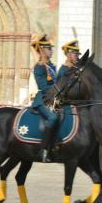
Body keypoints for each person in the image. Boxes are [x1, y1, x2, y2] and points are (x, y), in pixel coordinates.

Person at [31, 34, 59, 163]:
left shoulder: (51, 66)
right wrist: (58, 90)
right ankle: (43, 150)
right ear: (42, 50)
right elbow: (42, 86)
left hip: (54, 98)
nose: (51, 50)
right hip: (42, 99)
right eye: (49, 48)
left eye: (51, 48)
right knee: (52, 117)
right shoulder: (39, 67)